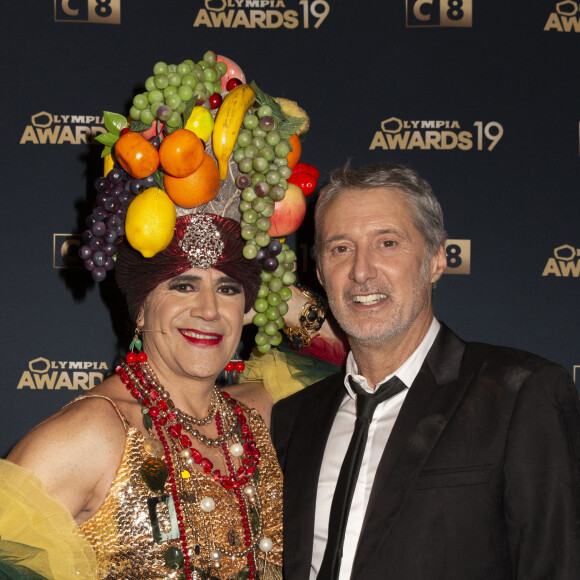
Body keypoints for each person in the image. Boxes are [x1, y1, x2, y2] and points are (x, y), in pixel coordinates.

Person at [0, 51, 334, 580]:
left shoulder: (264, 417)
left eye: (226, 289)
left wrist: (266, 282)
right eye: (182, 285)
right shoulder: (91, 434)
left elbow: (352, 357)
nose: (208, 310)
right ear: (140, 304)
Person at [271, 161, 580, 580]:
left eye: (388, 243)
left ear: (436, 260)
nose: (361, 271)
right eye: (341, 248)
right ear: (321, 272)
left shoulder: (520, 396)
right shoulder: (293, 420)